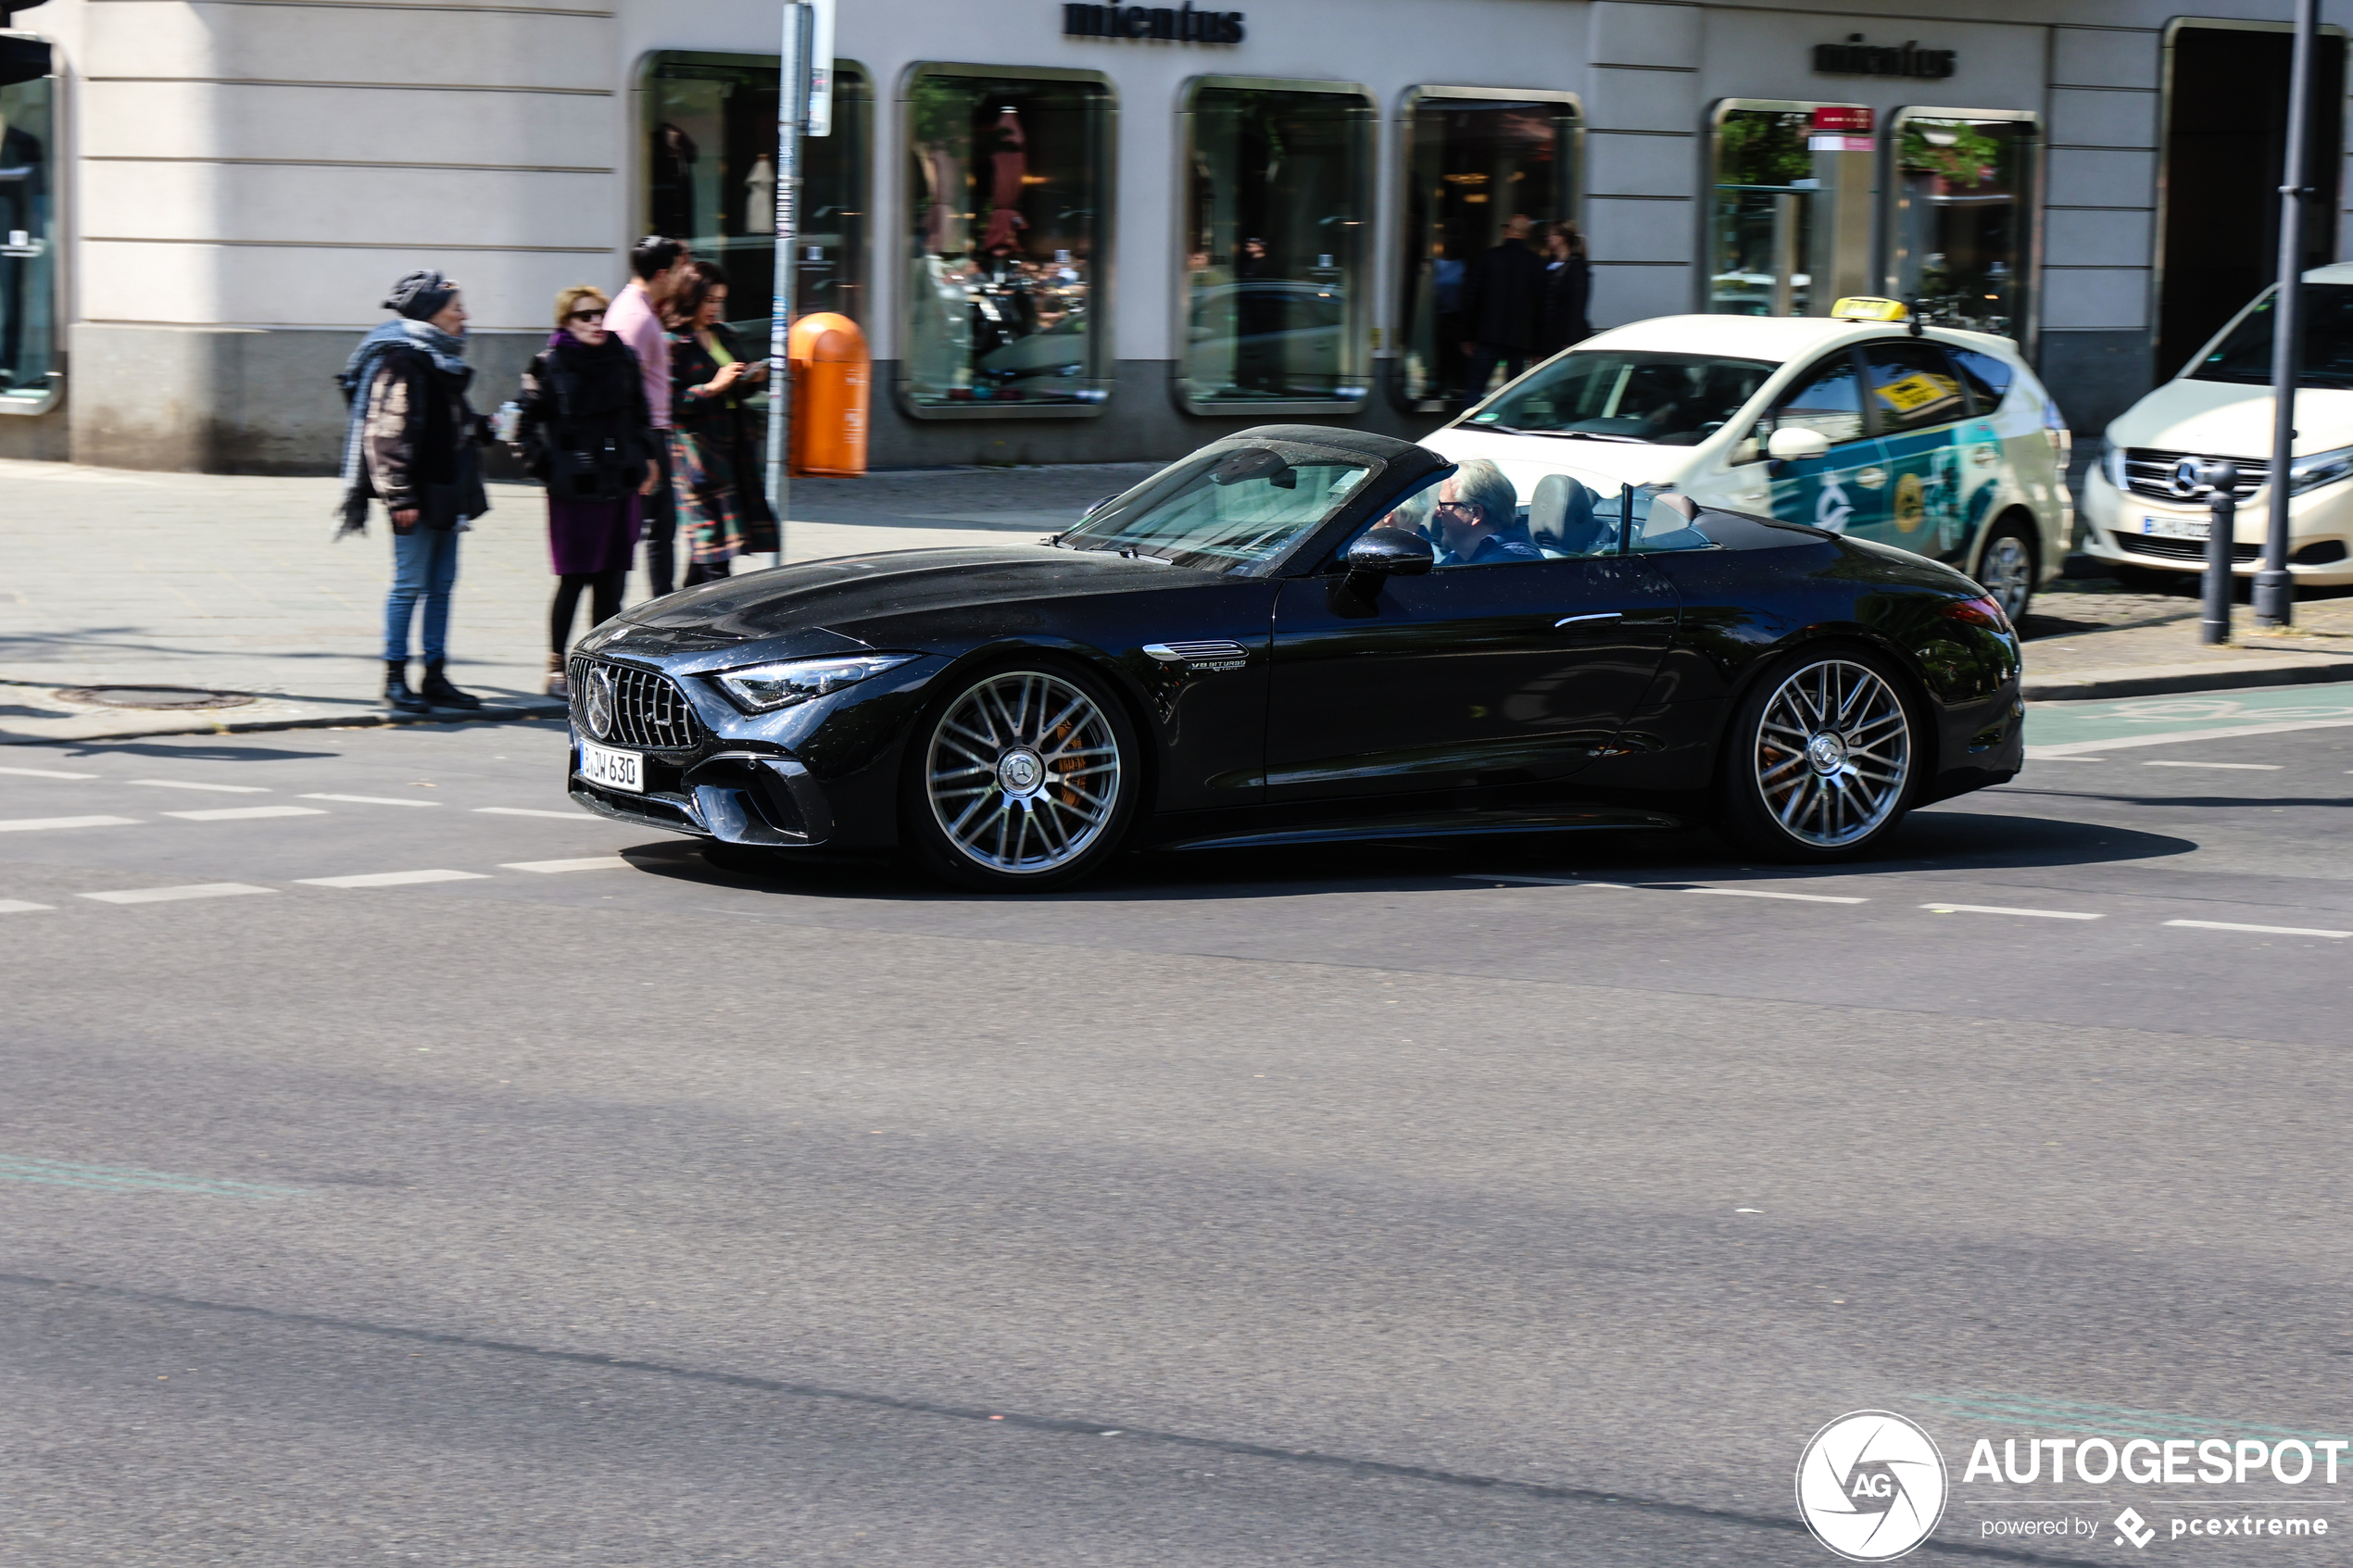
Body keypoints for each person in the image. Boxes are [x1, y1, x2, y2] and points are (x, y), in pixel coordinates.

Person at [334, 269, 492, 714]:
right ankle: (395, 677)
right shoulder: (404, 359)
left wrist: (487, 427)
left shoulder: (440, 358)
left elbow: (454, 419)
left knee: (441, 586)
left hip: (448, 489)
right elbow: (384, 434)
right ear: (432, 315)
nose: (466, 315)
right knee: (409, 586)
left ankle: (436, 675)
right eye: (457, 308)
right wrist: (399, 496)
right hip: (418, 495)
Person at [514, 284, 661, 698]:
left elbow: (641, 416)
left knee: (612, 586)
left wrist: (645, 458)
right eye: (584, 316)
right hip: (573, 493)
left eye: (599, 313)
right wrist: (548, 467)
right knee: (574, 580)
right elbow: (519, 423)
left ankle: (600, 673)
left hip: (619, 486)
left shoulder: (623, 358)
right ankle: (556, 667)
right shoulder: (549, 364)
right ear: (566, 323)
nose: (596, 321)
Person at [666, 259, 774, 587]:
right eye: (709, 300)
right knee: (715, 555)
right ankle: (709, 627)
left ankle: (678, 622)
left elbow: (735, 385)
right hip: (698, 457)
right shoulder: (673, 343)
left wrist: (752, 378)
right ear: (690, 297)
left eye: (720, 300)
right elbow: (670, 402)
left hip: (734, 452)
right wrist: (712, 387)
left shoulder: (724, 334)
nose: (715, 307)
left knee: (710, 554)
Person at [606, 235, 686, 595]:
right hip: (646, 434)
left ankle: (655, 606)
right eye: (678, 271)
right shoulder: (636, 318)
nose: (682, 278)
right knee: (650, 531)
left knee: (653, 529)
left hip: (649, 433)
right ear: (661, 274)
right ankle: (656, 612)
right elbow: (622, 389)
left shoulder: (638, 308)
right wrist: (645, 452)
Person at [1456, 212, 1545, 402]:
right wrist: (1538, 348)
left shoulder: (1489, 258)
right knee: (1514, 396)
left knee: (1475, 389)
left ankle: (1467, 427)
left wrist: (1467, 335)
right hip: (1521, 340)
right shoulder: (1536, 263)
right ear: (1527, 234)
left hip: (1488, 336)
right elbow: (1541, 309)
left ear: (1509, 230)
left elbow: (1472, 297)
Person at [1433, 458, 1540, 566]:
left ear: (1475, 513)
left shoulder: (1511, 560)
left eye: (1444, 506)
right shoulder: (1460, 556)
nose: (1436, 513)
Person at [1538, 220, 1593, 357]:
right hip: (1549, 337)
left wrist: (1569, 340)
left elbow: (1577, 306)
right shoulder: (1547, 265)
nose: (1548, 238)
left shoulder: (1576, 268)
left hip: (1563, 338)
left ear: (1562, 238)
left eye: (1551, 235)